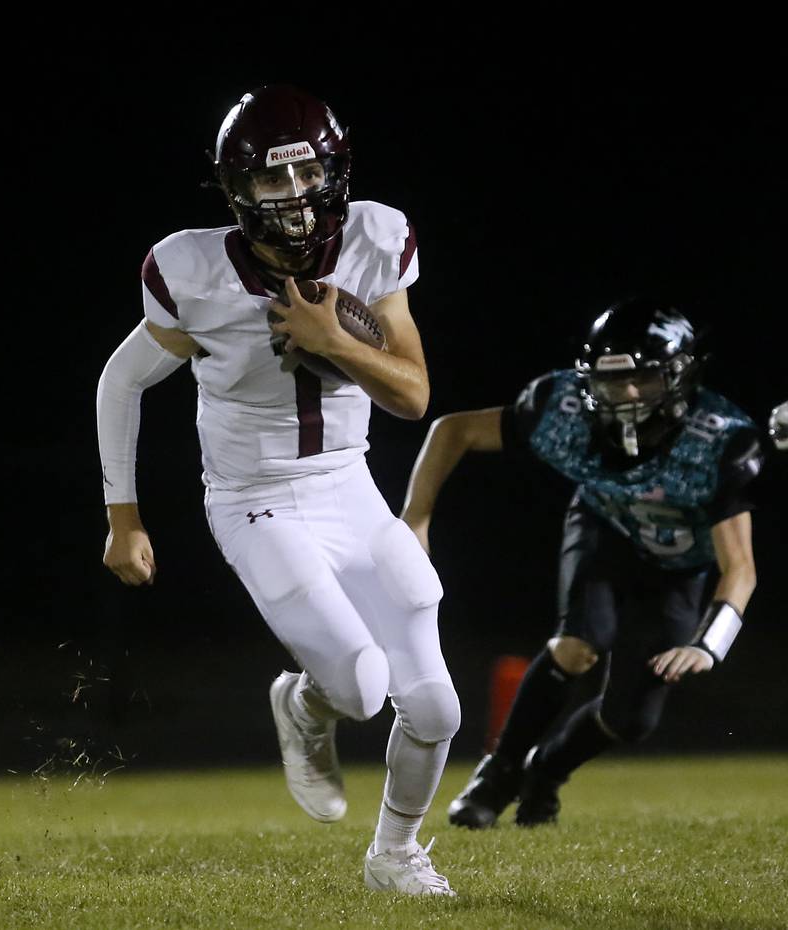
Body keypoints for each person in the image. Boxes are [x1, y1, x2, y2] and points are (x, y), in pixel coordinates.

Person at [97, 85, 459, 894]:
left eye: (306, 178)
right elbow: (121, 383)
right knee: (362, 688)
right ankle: (302, 703)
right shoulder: (191, 268)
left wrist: (335, 341)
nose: (294, 202)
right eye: (270, 183)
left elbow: (411, 395)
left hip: (350, 486)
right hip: (253, 496)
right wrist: (124, 516)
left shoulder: (377, 234)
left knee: (437, 708)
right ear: (235, 191)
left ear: (336, 172)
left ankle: (394, 855)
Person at [401, 298, 761, 829]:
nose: (630, 395)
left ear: (682, 376)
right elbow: (452, 430)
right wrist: (415, 518)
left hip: (679, 570)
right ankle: (496, 775)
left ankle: (544, 771)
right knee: (576, 646)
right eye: (616, 382)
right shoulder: (561, 405)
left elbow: (741, 567)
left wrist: (710, 643)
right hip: (605, 532)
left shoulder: (721, 439)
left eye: (645, 379)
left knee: (630, 719)